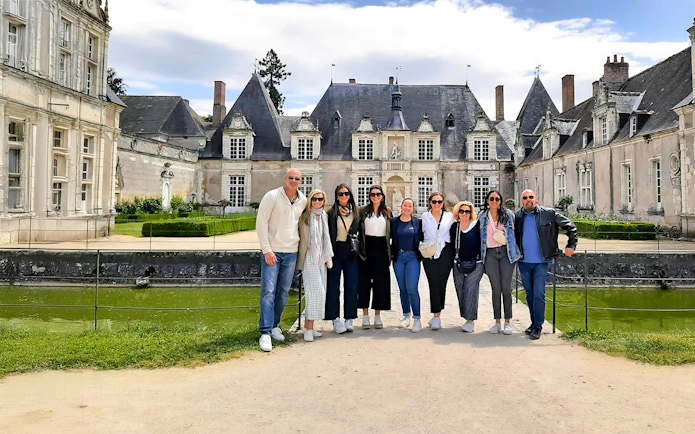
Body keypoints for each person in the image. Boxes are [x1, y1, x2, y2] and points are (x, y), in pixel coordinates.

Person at [515, 189, 578, 340]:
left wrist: (571, 245)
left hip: (541, 262)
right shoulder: (517, 216)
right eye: (525, 198)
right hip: (523, 261)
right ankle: (533, 323)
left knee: (539, 294)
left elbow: (570, 226)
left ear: (536, 198)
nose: (528, 200)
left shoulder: (549, 213)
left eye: (531, 197)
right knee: (530, 295)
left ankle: (538, 326)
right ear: (521, 200)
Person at [256, 168, 307, 352]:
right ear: (285, 178)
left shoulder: (303, 200)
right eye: (291, 178)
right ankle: (265, 332)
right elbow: (261, 224)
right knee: (268, 291)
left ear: (301, 181)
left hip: (291, 251)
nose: (294, 181)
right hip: (273, 252)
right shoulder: (271, 196)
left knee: (284, 292)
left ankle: (275, 325)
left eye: (297, 179)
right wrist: (267, 250)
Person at [479, 190, 520, 336]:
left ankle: (508, 322)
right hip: (490, 254)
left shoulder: (508, 215)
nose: (495, 201)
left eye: (497, 199)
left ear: (500, 201)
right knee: (495, 289)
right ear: (487, 201)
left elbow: (517, 234)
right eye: (492, 199)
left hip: (506, 253)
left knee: (506, 289)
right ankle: (497, 322)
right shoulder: (482, 216)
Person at [297, 190, 334, 342]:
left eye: (320, 199)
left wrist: (328, 256)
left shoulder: (324, 216)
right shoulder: (304, 216)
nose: (317, 202)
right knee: (315, 292)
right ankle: (308, 330)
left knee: (320, 291)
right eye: (315, 199)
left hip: (321, 258)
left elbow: (326, 237)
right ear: (310, 200)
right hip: (309, 258)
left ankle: (310, 326)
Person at [325, 184, 360, 334]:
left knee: (352, 286)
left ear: (350, 195)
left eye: (346, 193)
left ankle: (350, 318)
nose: (344, 196)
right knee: (333, 287)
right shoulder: (331, 214)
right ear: (336, 196)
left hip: (351, 252)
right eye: (341, 194)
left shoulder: (357, 213)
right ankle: (335, 319)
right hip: (336, 251)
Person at [357, 185, 392, 329]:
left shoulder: (387, 212)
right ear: (369, 196)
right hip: (367, 248)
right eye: (373, 194)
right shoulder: (363, 212)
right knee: (364, 282)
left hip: (382, 248)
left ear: (382, 196)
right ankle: (365, 316)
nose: (375, 197)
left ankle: (377, 315)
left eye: (378, 194)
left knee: (381, 284)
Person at [421, 192, 455, 330]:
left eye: (439, 202)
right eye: (434, 201)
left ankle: (437, 313)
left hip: (446, 251)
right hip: (429, 251)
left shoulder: (450, 216)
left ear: (443, 203)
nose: (437, 204)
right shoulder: (424, 217)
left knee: (442, 284)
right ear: (430, 202)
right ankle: (436, 316)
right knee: (433, 283)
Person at [450, 201, 484, 333]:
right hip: (458, 262)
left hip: (477, 263)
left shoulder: (477, 226)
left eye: (467, 211)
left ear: (471, 213)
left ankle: (470, 320)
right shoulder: (455, 227)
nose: (464, 214)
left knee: (471, 289)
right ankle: (465, 316)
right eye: (462, 211)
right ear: (458, 213)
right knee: (460, 290)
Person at [390, 198, 423, 333]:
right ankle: (406, 315)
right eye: (405, 205)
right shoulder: (394, 222)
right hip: (399, 257)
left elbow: (426, 237)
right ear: (401, 206)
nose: (407, 208)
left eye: (410, 206)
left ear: (413, 208)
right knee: (402, 288)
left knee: (412, 288)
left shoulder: (417, 223)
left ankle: (417, 318)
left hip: (413, 257)